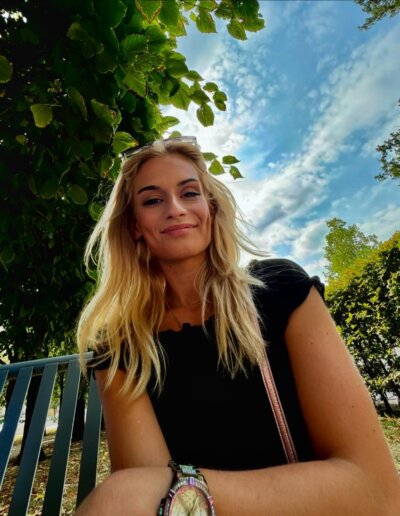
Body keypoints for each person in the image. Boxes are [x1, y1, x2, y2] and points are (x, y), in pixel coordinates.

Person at [76, 136, 399, 515]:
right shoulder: (120, 347)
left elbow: (376, 491)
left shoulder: (280, 291)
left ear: (211, 209)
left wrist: (183, 492)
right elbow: (148, 499)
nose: (175, 209)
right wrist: (153, 493)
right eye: (152, 200)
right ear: (134, 226)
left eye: (190, 193)